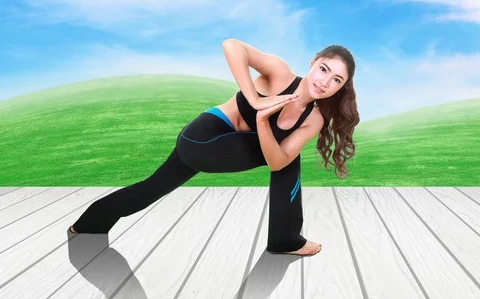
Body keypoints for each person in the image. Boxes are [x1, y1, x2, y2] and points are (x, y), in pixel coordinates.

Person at [69, 38, 360, 257]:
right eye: (324, 69)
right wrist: (256, 100)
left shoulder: (314, 119)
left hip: (219, 150)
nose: (325, 82)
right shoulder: (279, 73)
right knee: (287, 158)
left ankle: (87, 225)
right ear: (312, 62)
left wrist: (261, 122)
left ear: (341, 87)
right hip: (202, 138)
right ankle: (285, 239)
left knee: (150, 188)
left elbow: (276, 163)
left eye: (336, 80)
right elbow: (232, 45)